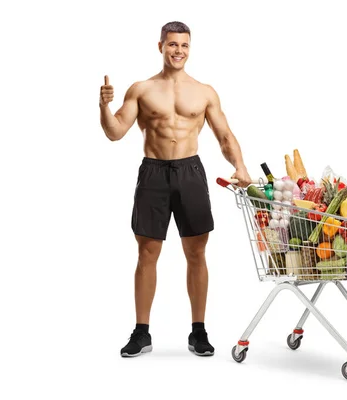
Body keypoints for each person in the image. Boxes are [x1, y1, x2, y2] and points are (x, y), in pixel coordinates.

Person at [99, 21, 252, 357]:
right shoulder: (141, 89)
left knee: (196, 253)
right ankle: (141, 333)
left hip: (190, 171)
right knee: (147, 253)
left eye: (183, 45)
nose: (178, 50)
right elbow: (114, 132)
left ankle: (198, 332)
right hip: (153, 173)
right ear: (160, 47)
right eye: (172, 44)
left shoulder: (205, 91)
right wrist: (103, 107)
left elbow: (225, 137)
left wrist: (239, 166)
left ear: (189, 48)